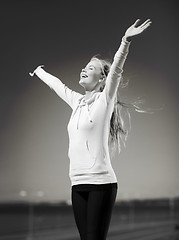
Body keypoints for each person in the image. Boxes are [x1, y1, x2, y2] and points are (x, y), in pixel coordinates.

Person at [29, 19, 151, 240]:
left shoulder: (105, 100)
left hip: (101, 183)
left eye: (91, 68)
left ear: (101, 78)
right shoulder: (76, 102)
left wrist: (126, 41)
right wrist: (37, 71)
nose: (85, 69)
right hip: (77, 183)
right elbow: (58, 86)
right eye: (85, 66)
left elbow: (116, 70)